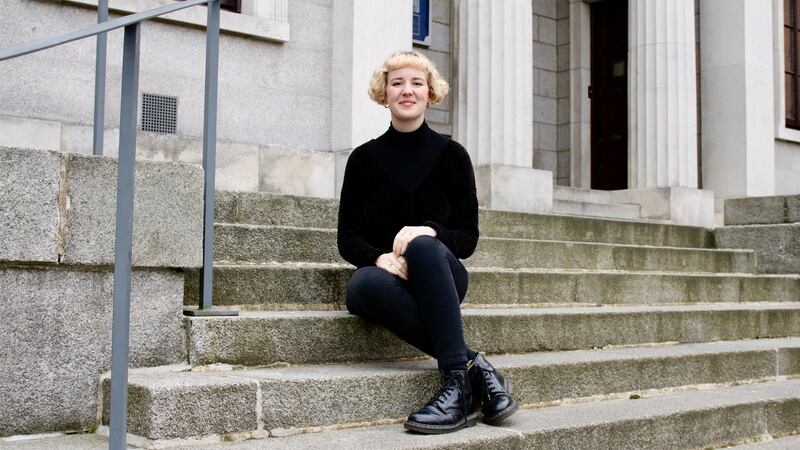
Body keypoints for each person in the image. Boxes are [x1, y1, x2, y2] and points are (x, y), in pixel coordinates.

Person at [337, 50, 518, 435]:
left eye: (417, 83)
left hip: (443, 277)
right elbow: (347, 237)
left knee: (421, 245)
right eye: (397, 82)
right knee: (362, 283)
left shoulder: (453, 157)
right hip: (387, 281)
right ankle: (473, 368)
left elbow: (467, 239)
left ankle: (456, 383)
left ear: (430, 94)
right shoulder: (362, 160)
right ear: (383, 93)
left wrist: (430, 232)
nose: (407, 90)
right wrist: (379, 257)